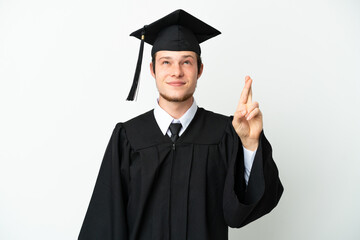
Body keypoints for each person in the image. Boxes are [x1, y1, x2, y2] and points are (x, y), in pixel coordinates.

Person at [78, 9, 283, 240]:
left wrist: (249, 145)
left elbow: (238, 215)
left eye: (186, 62)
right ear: (153, 70)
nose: (176, 71)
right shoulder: (128, 137)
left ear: (200, 70)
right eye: (166, 62)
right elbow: (105, 221)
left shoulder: (226, 132)